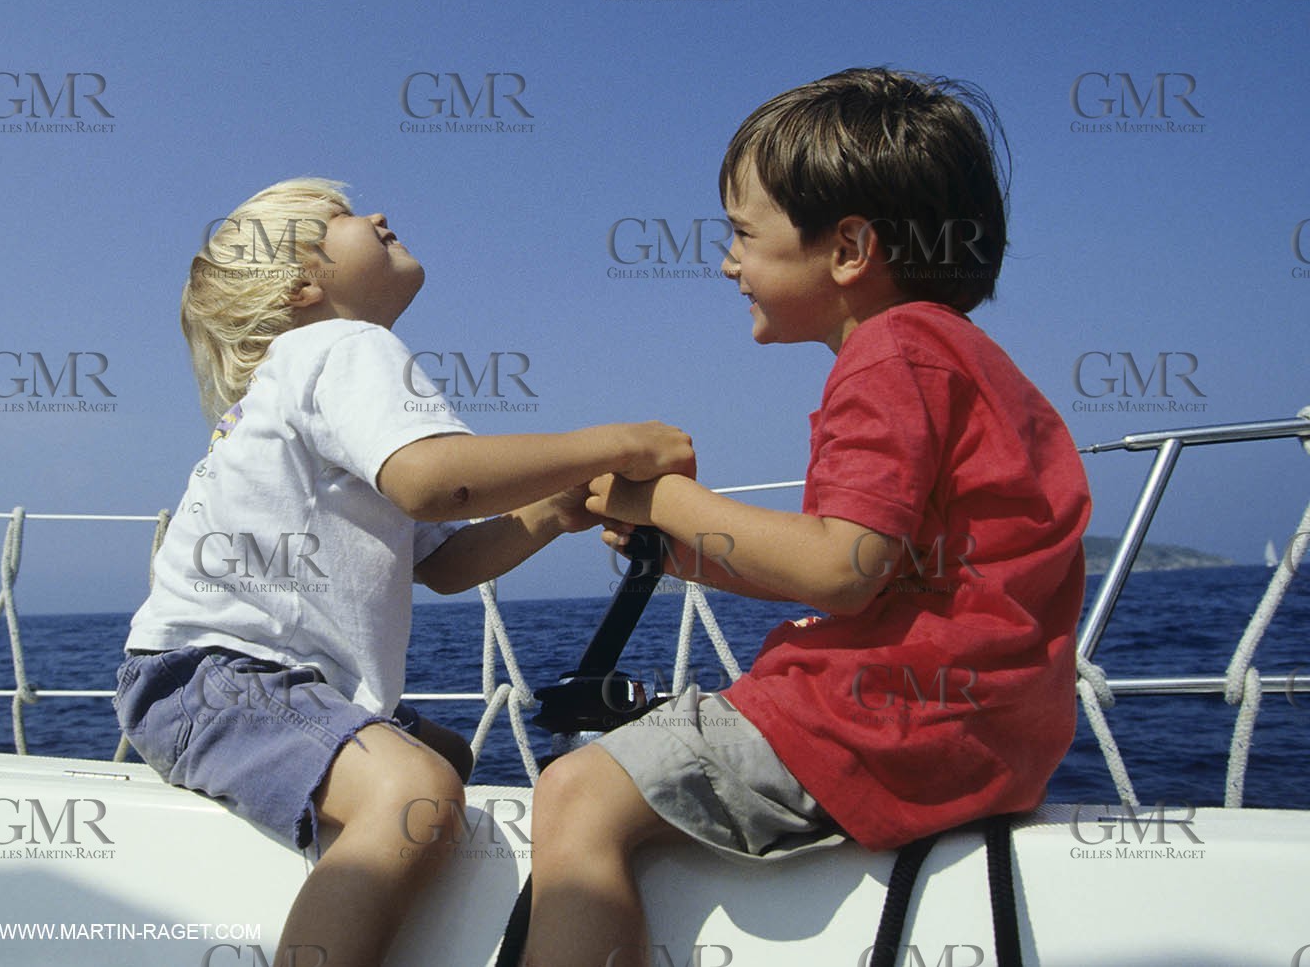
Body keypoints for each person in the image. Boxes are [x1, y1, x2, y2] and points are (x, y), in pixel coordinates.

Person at [523, 68, 1092, 967]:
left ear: (849, 248)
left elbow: (839, 572)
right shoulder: (958, 360)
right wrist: (675, 545)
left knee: (574, 795)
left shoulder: (890, 354)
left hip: (895, 720)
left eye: (743, 235)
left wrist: (664, 499)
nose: (726, 262)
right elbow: (868, 570)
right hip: (989, 730)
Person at [112, 177, 695, 967]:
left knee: (446, 758)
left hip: (204, 681)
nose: (378, 215)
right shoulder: (342, 347)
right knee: (413, 792)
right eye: (344, 217)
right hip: (221, 675)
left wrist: (556, 509)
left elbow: (446, 561)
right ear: (302, 283)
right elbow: (432, 480)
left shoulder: (304, 386)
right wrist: (614, 444)